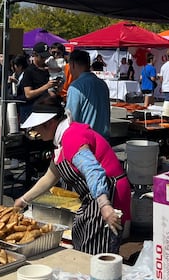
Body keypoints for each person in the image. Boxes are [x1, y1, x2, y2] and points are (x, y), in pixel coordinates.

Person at [14, 95, 131, 255]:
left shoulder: (72, 137)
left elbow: (93, 171)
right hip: (93, 198)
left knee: (96, 253)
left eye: (37, 128)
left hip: (107, 194)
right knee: (82, 243)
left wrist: (105, 206)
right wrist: (23, 200)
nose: (36, 133)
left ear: (49, 124)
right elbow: (50, 176)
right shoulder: (62, 141)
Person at [66, 49, 111, 139]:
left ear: (73, 64)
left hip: (85, 141)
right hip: (103, 140)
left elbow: (71, 119)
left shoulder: (76, 87)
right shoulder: (102, 84)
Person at [20, 42, 58, 121]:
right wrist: (46, 86)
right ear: (35, 55)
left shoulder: (47, 69)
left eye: (46, 57)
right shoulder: (29, 71)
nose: (44, 60)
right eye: (42, 57)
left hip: (45, 108)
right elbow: (28, 94)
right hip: (31, 109)